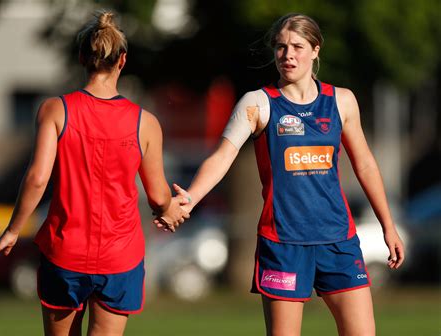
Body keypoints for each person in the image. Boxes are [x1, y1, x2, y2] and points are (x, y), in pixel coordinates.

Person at [164, 13, 405, 336]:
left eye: (297, 46)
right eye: (280, 47)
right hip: (283, 244)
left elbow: (365, 165)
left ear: (315, 50)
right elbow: (222, 157)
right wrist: (190, 198)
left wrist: (387, 226)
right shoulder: (258, 104)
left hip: (338, 240)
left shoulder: (342, 101)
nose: (287, 55)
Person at [0, 10, 189, 336]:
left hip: (64, 250)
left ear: (82, 57)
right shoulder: (146, 122)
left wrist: (12, 230)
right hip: (120, 256)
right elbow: (157, 195)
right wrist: (171, 210)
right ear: (122, 61)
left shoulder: (55, 110)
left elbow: (38, 178)